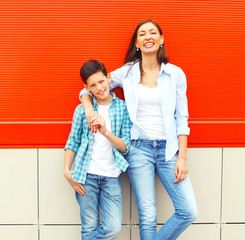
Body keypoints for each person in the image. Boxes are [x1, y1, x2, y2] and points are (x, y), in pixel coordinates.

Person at [80, 20, 198, 240]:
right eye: (142, 34)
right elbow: (91, 86)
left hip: (169, 151)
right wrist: (88, 109)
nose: (148, 37)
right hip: (138, 149)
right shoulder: (128, 72)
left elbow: (182, 117)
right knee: (147, 215)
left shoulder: (175, 75)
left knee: (188, 211)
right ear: (137, 43)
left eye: (153, 32)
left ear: (161, 39)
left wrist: (182, 157)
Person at [64, 60, 132, 240]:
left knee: (113, 228)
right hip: (86, 176)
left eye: (101, 81)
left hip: (111, 177)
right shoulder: (82, 110)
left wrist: (105, 132)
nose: (99, 88)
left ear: (109, 78)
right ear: (86, 88)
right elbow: (73, 141)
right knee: (89, 227)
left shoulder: (123, 108)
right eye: (93, 85)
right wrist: (66, 171)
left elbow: (125, 146)